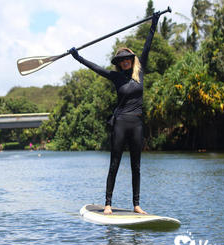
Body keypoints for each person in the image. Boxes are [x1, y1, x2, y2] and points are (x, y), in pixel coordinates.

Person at [69, 12, 161, 215]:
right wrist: (77, 57)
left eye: (128, 59)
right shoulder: (116, 77)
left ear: (132, 60)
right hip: (120, 123)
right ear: (119, 63)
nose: (125, 62)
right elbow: (95, 68)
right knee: (115, 164)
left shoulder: (140, 71)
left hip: (137, 124)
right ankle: (108, 204)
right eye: (122, 60)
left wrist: (154, 22)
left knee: (136, 166)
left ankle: (136, 205)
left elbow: (148, 45)